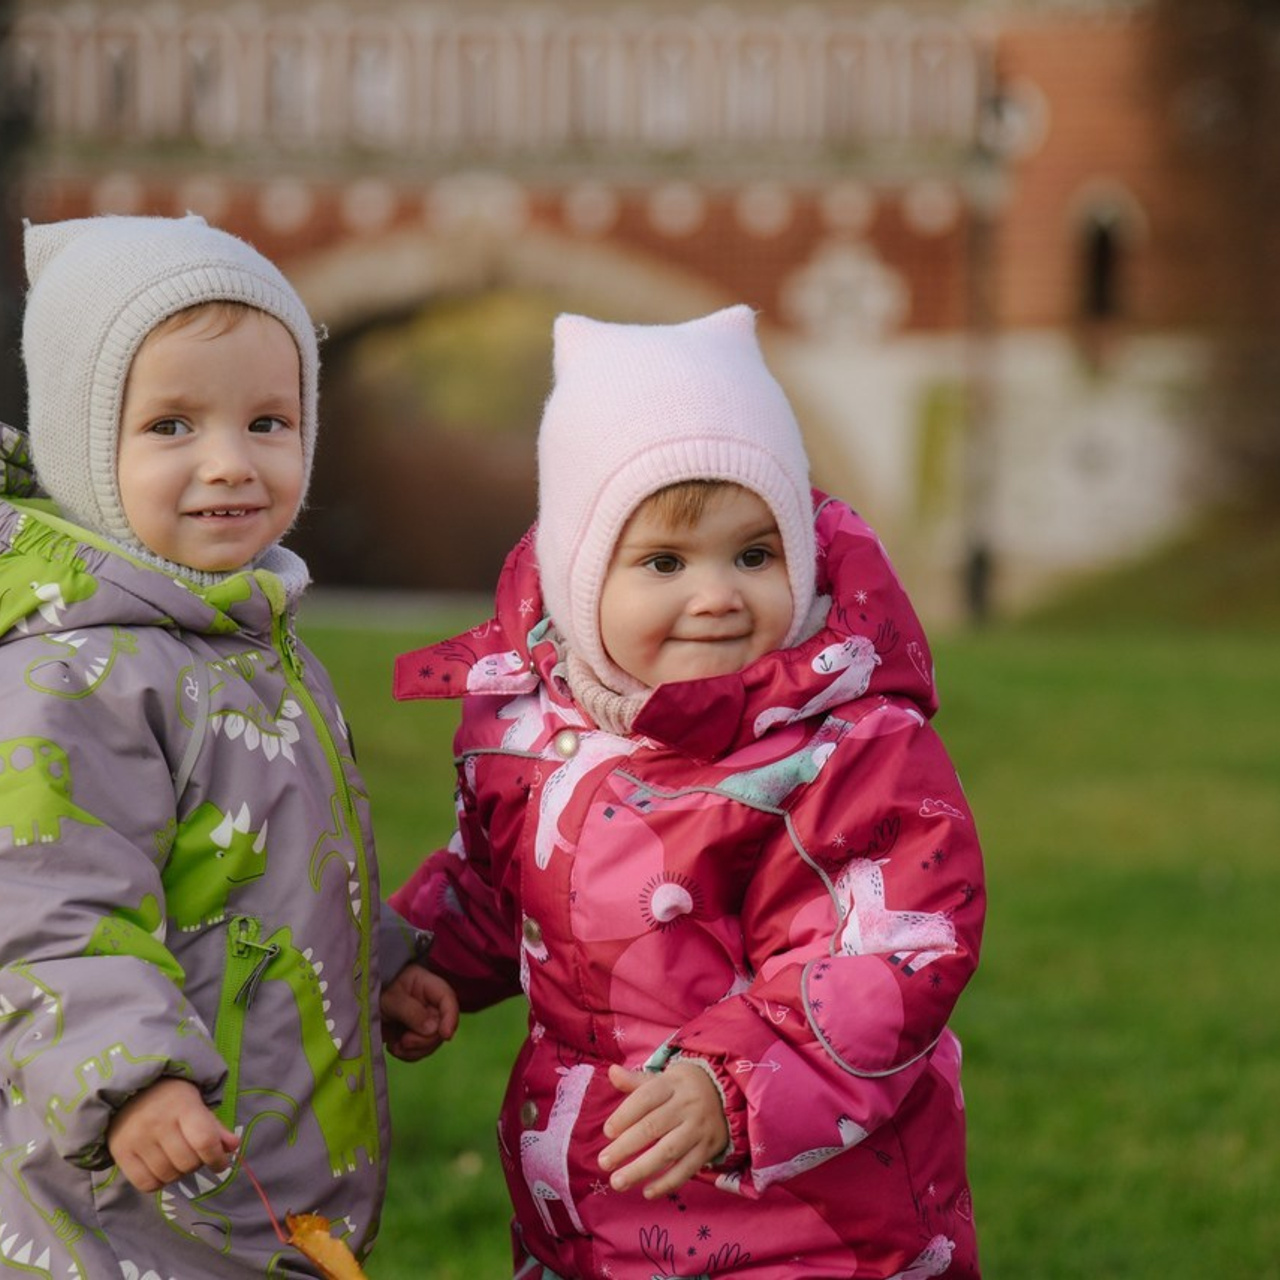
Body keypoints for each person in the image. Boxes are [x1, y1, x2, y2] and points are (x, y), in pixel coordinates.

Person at [389, 305, 984, 1278]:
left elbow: (879, 948)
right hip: (589, 1198)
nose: (715, 594)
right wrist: (429, 959)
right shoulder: (534, 735)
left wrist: (731, 1081)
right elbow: (509, 886)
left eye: (753, 554)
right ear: (581, 578)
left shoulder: (845, 748)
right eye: (663, 562)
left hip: (814, 1221)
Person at [0, 213, 454, 1277]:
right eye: (171, 426)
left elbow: (271, 853)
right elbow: (47, 906)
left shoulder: (247, 637)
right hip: (124, 1197)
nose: (229, 462)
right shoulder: (72, 675)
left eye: (266, 421)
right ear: (81, 442)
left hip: (250, 1168)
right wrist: (129, 1075)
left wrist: (370, 955)